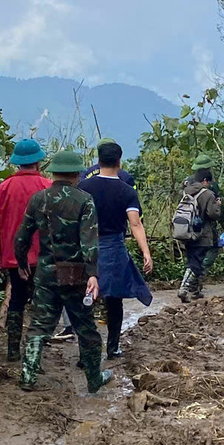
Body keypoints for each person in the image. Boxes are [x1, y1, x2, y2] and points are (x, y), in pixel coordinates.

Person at [15, 150, 109, 392]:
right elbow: (89, 242)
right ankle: (94, 378)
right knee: (86, 328)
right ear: (78, 173)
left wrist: (22, 263)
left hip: (46, 274)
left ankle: (28, 376)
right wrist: (92, 274)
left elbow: (21, 238)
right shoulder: (84, 200)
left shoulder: (38, 199)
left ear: (53, 172)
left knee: (39, 326)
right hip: (75, 276)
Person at [80, 141, 153, 359]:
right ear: (119, 162)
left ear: (98, 161)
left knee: (85, 299)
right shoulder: (127, 191)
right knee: (114, 300)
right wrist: (146, 252)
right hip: (113, 248)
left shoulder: (83, 188)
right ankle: (113, 347)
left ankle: (86, 354)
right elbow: (135, 224)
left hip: (87, 246)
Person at [0, 138, 50, 362]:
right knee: (41, 303)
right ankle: (35, 351)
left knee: (17, 301)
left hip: (13, 257)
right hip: (43, 256)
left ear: (17, 163)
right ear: (38, 162)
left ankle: (13, 350)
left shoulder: (5, 188)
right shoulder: (47, 186)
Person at [171, 164, 224, 300]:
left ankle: (195, 291)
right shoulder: (207, 194)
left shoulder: (185, 191)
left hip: (186, 231)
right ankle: (183, 288)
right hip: (202, 233)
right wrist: (218, 205)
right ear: (205, 181)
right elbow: (213, 214)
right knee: (196, 262)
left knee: (192, 259)